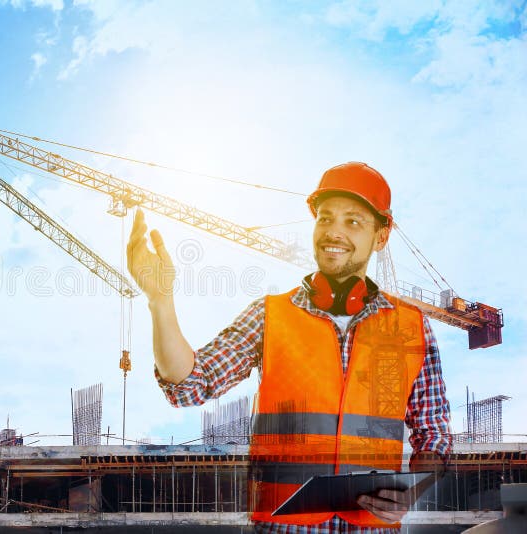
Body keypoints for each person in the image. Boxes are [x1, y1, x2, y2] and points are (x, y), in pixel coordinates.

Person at [126, 162, 452, 533]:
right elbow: (189, 384)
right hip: (284, 526)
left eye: (353, 222)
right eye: (325, 218)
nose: (334, 232)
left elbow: (434, 433)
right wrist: (160, 301)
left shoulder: (410, 326)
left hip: (373, 527)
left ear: (381, 236)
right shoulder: (271, 316)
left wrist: (414, 490)